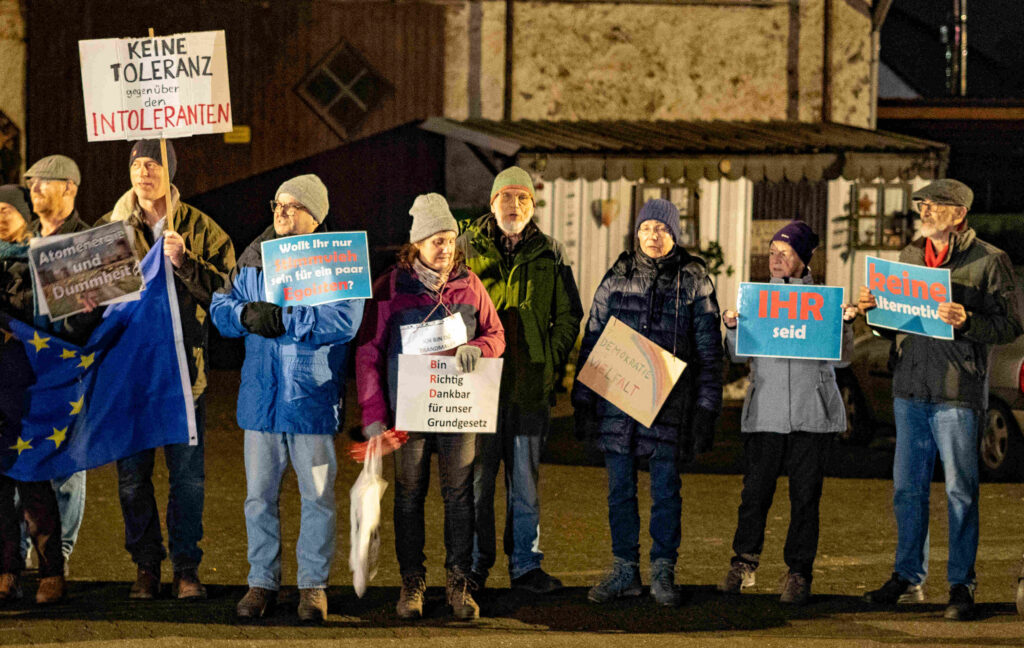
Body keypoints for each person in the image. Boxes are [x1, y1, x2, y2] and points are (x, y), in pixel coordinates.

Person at [859, 179, 1024, 620]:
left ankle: (961, 584)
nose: (925, 211)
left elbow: (1010, 326)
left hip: (957, 393)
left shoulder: (990, 260)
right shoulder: (909, 257)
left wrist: (968, 320)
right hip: (910, 389)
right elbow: (894, 325)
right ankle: (908, 578)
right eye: (922, 204)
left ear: (959, 214)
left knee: (960, 492)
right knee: (907, 490)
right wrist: (875, 313)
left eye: (934, 205)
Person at [210, 175, 364, 622]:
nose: (281, 211)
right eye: (278, 203)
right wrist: (245, 314)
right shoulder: (253, 259)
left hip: (310, 401)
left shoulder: (338, 260)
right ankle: (262, 582)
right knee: (258, 498)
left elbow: (345, 321)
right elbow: (221, 309)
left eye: (293, 206)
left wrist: (287, 319)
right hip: (262, 401)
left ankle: (313, 585)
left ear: (315, 216)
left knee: (316, 497)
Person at [356, 193, 504, 621]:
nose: (446, 249)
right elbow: (368, 352)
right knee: (409, 496)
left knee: (459, 495)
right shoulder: (391, 288)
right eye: (437, 240)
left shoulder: (470, 286)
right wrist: (373, 415)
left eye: (451, 240)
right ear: (417, 243)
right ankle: (412, 581)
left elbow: (496, 335)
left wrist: (480, 347)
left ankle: (458, 581)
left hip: (458, 408)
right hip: (410, 411)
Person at [98, 140, 236, 600]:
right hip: (129, 376)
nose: (144, 172)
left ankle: (186, 568)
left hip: (183, 377)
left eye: (153, 163)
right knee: (131, 480)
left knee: (188, 480)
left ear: (170, 171)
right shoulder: (108, 229)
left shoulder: (202, 230)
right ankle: (145, 566)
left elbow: (227, 295)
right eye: (137, 164)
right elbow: (85, 299)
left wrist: (184, 262)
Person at [571, 198, 723, 607]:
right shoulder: (617, 275)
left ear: (675, 234)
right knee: (619, 490)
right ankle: (625, 569)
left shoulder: (694, 280)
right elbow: (594, 336)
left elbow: (709, 351)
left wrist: (706, 409)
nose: (653, 236)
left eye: (662, 229)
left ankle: (662, 569)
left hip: (669, 405)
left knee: (665, 491)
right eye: (646, 228)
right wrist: (583, 399)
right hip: (618, 405)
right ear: (636, 232)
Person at [716, 221, 857, 605]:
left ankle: (798, 573)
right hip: (766, 413)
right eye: (772, 252)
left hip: (812, 415)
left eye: (785, 253)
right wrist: (733, 328)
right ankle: (743, 563)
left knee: (805, 498)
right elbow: (738, 356)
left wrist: (845, 325)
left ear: (804, 259)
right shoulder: (757, 300)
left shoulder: (824, 302)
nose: (775, 259)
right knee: (755, 494)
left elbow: (843, 359)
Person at [457, 166, 582, 593]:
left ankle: (526, 565)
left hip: (530, 387)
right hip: (478, 388)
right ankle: (475, 567)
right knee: (478, 483)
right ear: (492, 203)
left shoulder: (551, 252)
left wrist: (550, 359)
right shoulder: (465, 248)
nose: (515, 205)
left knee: (525, 483)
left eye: (523, 198)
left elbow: (569, 314)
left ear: (533, 204)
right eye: (506, 197)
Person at [20, 155, 90, 572]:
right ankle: (22, 554)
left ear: (69, 188)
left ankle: (57, 555)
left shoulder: (91, 244)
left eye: (44, 181)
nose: (35, 188)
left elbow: (111, 313)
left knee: (66, 466)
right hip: (23, 372)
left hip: (68, 372)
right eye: (31, 181)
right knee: (20, 462)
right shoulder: (22, 238)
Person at [0, 184, 65, 604]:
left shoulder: (41, 259)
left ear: (25, 214)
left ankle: (51, 572)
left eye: (7, 209)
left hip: (29, 386)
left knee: (34, 481)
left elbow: (50, 314)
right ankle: (7, 570)